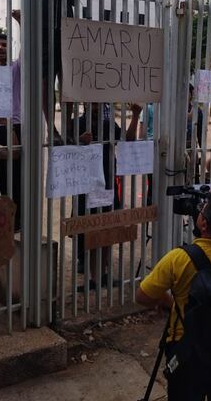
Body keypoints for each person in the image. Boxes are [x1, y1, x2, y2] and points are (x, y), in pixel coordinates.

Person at [136, 192, 211, 401]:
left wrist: (170, 302)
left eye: (201, 212)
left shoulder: (179, 259)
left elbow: (143, 296)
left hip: (186, 351)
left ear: (203, 224)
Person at [27, 0, 84, 143]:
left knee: (67, 82)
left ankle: (67, 126)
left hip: (65, 32)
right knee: (45, 82)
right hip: (42, 32)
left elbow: (73, 0)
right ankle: (52, 128)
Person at [75, 102, 141, 286]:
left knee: (108, 225)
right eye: (92, 101)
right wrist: (79, 141)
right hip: (86, 185)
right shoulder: (77, 123)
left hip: (107, 181)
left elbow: (127, 140)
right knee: (90, 227)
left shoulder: (108, 124)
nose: (95, 104)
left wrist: (135, 115)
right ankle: (92, 275)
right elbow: (64, 149)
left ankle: (101, 274)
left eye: (98, 100)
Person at [0, 32, 23, 231]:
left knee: (15, 176)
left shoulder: (16, 67)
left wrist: (21, 24)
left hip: (14, 126)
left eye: (4, 45)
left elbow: (27, 53)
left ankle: (17, 221)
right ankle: (2, 219)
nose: (0, 49)